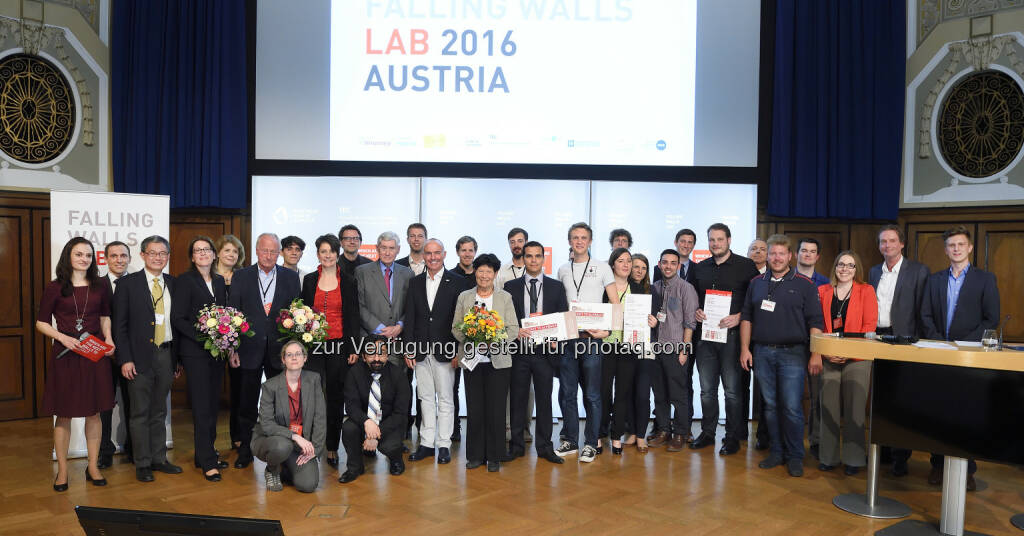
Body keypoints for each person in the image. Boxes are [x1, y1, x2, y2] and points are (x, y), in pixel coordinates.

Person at [920, 225, 1000, 491]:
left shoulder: (985, 279)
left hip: (969, 357)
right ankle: (937, 465)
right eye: (951, 245)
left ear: (970, 248)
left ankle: (967, 470)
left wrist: (962, 344)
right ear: (945, 250)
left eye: (960, 245)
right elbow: (925, 315)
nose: (956, 249)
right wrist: (940, 342)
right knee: (937, 412)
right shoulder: (934, 279)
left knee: (966, 414)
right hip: (938, 354)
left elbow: (992, 319)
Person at [740, 234, 825, 478]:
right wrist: (745, 349)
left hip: (794, 354)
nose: (776, 258)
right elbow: (747, 317)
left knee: (791, 407)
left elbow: (815, 322)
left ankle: (795, 455)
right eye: (772, 253)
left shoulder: (805, 285)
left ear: (790, 256)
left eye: (781, 254)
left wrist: (815, 354)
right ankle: (776, 451)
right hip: (762, 352)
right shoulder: (756, 282)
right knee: (770, 407)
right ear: (767, 256)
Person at [37, 237, 117, 492]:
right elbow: (41, 322)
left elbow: (105, 316)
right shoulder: (54, 287)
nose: (84, 259)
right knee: (64, 414)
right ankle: (62, 470)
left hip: (94, 356)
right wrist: (63, 338)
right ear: (68, 257)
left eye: (88, 255)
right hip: (67, 356)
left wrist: (109, 338)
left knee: (94, 413)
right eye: (79, 254)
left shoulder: (99, 286)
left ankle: (92, 466)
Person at [227, 232, 302, 469]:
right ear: (256, 251)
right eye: (264, 250)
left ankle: (282, 449)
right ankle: (246, 451)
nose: (268, 255)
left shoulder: (291, 277)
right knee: (246, 403)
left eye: (273, 251)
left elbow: (296, 314)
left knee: (282, 403)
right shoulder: (241, 276)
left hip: (279, 351)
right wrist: (233, 349)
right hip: (248, 349)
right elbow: (233, 313)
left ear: (278, 253)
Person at [113, 235, 183, 483]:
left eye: (163, 253)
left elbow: (178, 323)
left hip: (166, 354)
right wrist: (125, 359)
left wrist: (177, 361)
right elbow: (119, 327)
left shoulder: (174, 284)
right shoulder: (127, 285)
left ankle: (159, 458)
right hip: (138, 358)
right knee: (139, 412)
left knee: (159, 411)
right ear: (142, 255)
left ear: (167, 257)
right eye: (153, 253)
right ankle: (142, 463)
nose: (158, 257)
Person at [690, 224, 759, 455]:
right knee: (707, 390)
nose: (715, 244)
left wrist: (740, 317)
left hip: (732, 337)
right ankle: (708, 432)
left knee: (732, 391)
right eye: (711, 240)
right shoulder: (699, 268)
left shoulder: (746, 266)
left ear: (729, 240)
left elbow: (755, 301)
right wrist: (696, 311)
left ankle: (732, 436)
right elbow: (692, 300)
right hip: (705, 337)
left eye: (720, 239)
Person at [869, 224, 930, 477]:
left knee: (902, 399)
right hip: (876, 337)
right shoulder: (873, 272)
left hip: (905, 339)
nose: (887, 246)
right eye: (883, 242)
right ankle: (882, 452)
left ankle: (900, 456)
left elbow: (923, 309)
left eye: (892, 241)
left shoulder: (918, 271)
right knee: (879, 396)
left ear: (901, 244)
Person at [452, 254, 520, 472]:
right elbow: (455, 327)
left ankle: (494, 456)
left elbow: (513, 329)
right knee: (475, 408)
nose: (484, 275)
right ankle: (475, 455)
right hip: (472, 361)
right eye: (480, 270)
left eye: (488, 271)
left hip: (498, 361)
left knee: (496, 409)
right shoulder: (464, 296)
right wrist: (474, 339)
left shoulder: (505, 297)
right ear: (475, 273)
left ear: (495, 274)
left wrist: (493, 342)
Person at [555, 222, 617, 462]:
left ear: (590, 241)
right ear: (569, 241)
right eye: (575, 238)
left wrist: (608, 330)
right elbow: (559, 306)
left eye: (583, 238)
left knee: (592, 394)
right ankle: (570, 440)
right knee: (567, 393)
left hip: (592, 340)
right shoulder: (562, 269)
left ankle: (591, 443)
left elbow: (615, 302)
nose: (579, 241)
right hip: (568, 338)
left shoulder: (602, 268)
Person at [404, 239, 468, 465]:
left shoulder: (458, 282)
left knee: (446, 399)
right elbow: (410, 317)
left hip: (446, 351)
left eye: (436, 253)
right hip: (420, 351)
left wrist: (457, 350)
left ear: (445, 254)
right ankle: (426, 443)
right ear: (423, 255)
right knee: (425, 398)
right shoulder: (415, 282)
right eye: (428, 253)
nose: (432, 257)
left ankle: (444, 444)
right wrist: (409, 348)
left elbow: (461, 321)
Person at [170, 236, 228, 481]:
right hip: (195, 352)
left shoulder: (219, 280)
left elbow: (224, 315)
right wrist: (203, 338)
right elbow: (178, 319)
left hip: (217, 352)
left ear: (214, 254)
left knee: (212, 404)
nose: (203, 253)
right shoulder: (185, 281)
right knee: (202, 406)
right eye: (197, 250)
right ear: (192, 257)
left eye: (207, 249)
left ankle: (206, 452)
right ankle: (207, 461)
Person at [504, 241, 568, 465]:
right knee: (518, 401)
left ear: (543, 259)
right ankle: (516, 446)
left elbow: (562, 318)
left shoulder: (556, 287)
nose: (533, 260)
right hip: (519, 351)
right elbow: (505, 319)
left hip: (544, 353)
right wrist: (514, 331)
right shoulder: (510, 287)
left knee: (544, 401)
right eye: (529, 256)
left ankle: (545, 446)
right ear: (524, 259)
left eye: (537, 256)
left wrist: (554, 340)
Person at [301, 234, 360, 470]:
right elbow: (302, 313)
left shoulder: (348, 280)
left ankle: (333, 446)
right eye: (323, 251)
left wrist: (354, 347)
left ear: (337, 254)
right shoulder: (308, 280)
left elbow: (353, 316)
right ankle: (311, 445)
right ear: (318, 254)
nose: (327, 255)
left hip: (339, 346)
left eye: (331, 251)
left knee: (335, 397)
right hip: (313, 346)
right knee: (312, 396)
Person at [817, 251, 877, 475]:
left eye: (850, 266)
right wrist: (826, 353)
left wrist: (848, 352)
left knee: (855, 410)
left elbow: (869, 326)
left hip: (858, 358)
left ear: (856, 269)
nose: (845, 269)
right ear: (835, 267)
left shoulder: (866, 291)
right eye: (841, 264)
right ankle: (828, 457)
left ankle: (854, 458)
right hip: (829, 357)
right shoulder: (822, 291)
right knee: (828, 408)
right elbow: (816, 324)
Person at [251, 340, 326, 492]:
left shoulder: (314, 380)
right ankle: (272, 470)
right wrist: (294, 436)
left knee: (308, 485)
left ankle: (285, 467)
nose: (294, 358)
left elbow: (320, 418)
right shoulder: (270, 386)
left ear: (305, 358)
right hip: (272, 440)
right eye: (289, 355)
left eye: (298, 354)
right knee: (282, 446)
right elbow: (266, 425)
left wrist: (315, 450)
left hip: (299, 444)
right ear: (283, 360)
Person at [645, 249, 698, 452]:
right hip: (655, 348)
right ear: (659, 264)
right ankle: (664, 430)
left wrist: (684, 350)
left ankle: (680, 433)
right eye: (665, 262)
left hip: (675, 348)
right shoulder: (653, 288)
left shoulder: (686, 288)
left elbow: (690, 323)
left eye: (672, 263)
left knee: (678, 394)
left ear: (678, 266)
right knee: (659, 393)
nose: (668, 266)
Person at [339, 335, 411, 483]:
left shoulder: (398, 375)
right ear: (364, 356)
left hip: (389, 423)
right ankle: (354, 467)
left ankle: (396, 459)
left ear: (387, 355)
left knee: (389, 446)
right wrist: (366, 422)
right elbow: (351, 406)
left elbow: (400, 413)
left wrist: (375, 434)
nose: (377, 358)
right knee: (348, 428)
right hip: (364, 421)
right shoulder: (354, 373)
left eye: (381, 353)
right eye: (371, 353)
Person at [600, 248, 643, 455]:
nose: (626, 265)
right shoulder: (603, 289)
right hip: (606, 345)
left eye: (629, 261)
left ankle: (616, 437)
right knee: (604, 393)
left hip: (629, 347)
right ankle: (600, 435)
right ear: (613, 265)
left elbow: (644, 317)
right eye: (621, 261)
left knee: (623, 394)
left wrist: (649, 321)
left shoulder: (638, 289)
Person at [795, 238, 830, 459]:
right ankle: (792, 440)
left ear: (818, 257)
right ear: (796, 254)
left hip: (818, 345)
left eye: (812, 252)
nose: (807, 255)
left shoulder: (826, 283)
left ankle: (816, 440)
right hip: (792, 345)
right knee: (791, 397)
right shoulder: (785, 278)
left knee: (818, 396)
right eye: (803, 251)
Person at [98, 241, 132, 468]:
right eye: (114, 256)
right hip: (103, 356)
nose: (119, 260)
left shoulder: (138, 283)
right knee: (104, 406)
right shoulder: (96, 284)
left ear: (129, 258)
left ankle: (133, 449)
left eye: (123, 255)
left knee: (133, 404)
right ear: (106, 259)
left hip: (131, 355)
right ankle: (104, 451)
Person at [214, 234, 246, 452]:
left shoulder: (243, 277)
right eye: (227, 250)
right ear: (218, 252)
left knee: (239, 391)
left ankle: (238, 436)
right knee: (211, 393)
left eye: (235, 252)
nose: (231, 255)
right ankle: (209, 443)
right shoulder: (207, 275)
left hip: (238, 342)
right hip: (211, 342)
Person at [449, 235, 477, 440]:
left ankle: (476, 427)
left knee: (474, 386)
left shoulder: (483, 275)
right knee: (453, 386)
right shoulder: (450, 276)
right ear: (458, 252)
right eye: (463, 250)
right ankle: (455, 427)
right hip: (457, 341)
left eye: (470, 250)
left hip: (480, 342)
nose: (467, 254)